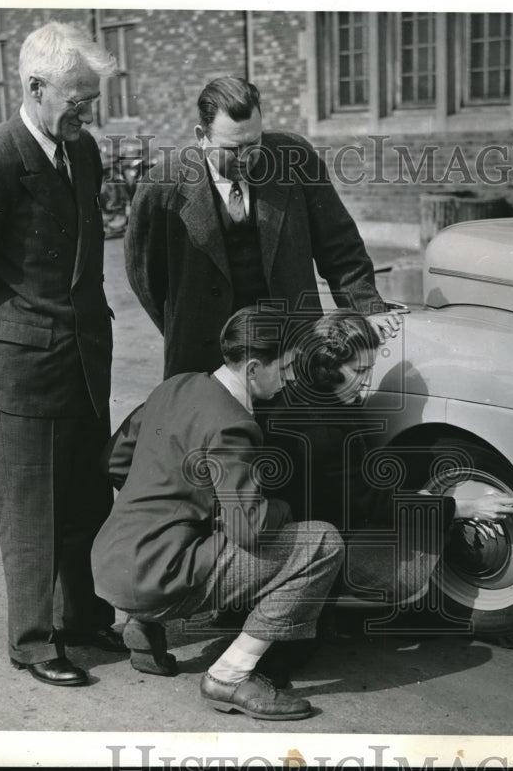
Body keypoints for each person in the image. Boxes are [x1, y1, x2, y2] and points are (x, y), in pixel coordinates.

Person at [0, 22, 124, 687]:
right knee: (32, 511)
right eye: (76, 100)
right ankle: (34, 641)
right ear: (36, 88)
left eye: (91, 100)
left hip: (83, 361)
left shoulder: (84, 149)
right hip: (22, 371)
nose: (85, 112)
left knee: (85, 496)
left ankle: (82, 617)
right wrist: (1, 345)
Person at [91, 307, 344, 721]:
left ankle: (142, 622)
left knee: (195, 532)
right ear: (254, 368)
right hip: (155, 575)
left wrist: (173, 503)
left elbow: (114, 461)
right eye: (284, 368)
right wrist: (283, 506)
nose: (290, 378)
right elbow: (249, 529)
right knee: (321, 543)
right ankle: (230, 674)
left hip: (109, 561)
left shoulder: (175, 386)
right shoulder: (234, 424)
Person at [256, 310, 513, 678]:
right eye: (359, 371)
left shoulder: (313, 395)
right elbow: (371, 503)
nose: (365, 383)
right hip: (305, 547)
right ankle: (345, 601)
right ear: (328, 367)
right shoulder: (320, 428)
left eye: (369, 371)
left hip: (304, 528)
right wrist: (461, 506)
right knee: (412, 556)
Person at [124, 75, 400, 381]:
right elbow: (146, 278)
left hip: (292, 348)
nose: (246, 158)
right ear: (202, 136)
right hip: (204, 360)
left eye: (253, 143)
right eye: (232, 149)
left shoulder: (294, 159)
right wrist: (184, 328)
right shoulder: (162, 186)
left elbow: (339, 244)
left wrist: (367, 306)